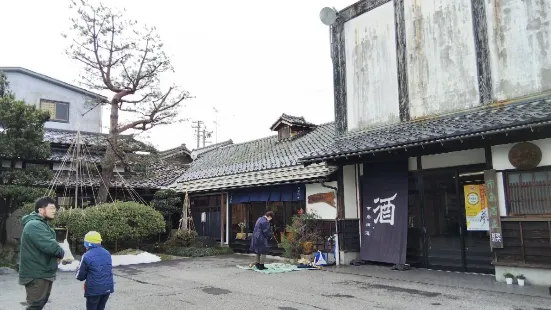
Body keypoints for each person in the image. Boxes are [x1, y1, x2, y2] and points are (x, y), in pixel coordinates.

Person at [19, 197, 65, 310]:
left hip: (43, 272)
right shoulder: (35, 225)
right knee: (35, 305)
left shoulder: (42, 224)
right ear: (40, 210)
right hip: (36, 273)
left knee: (40, 303)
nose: (54, 210)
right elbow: (51, 246)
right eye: (51, 208)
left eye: (55, 208)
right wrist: (61, 252)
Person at [76, 231, 114, 310]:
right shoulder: (107, 253)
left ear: (88, 243)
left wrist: (77, 270)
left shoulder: (86, 256)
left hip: (93, 290)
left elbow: (80, 276)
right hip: (107, 288)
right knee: (101, 308)